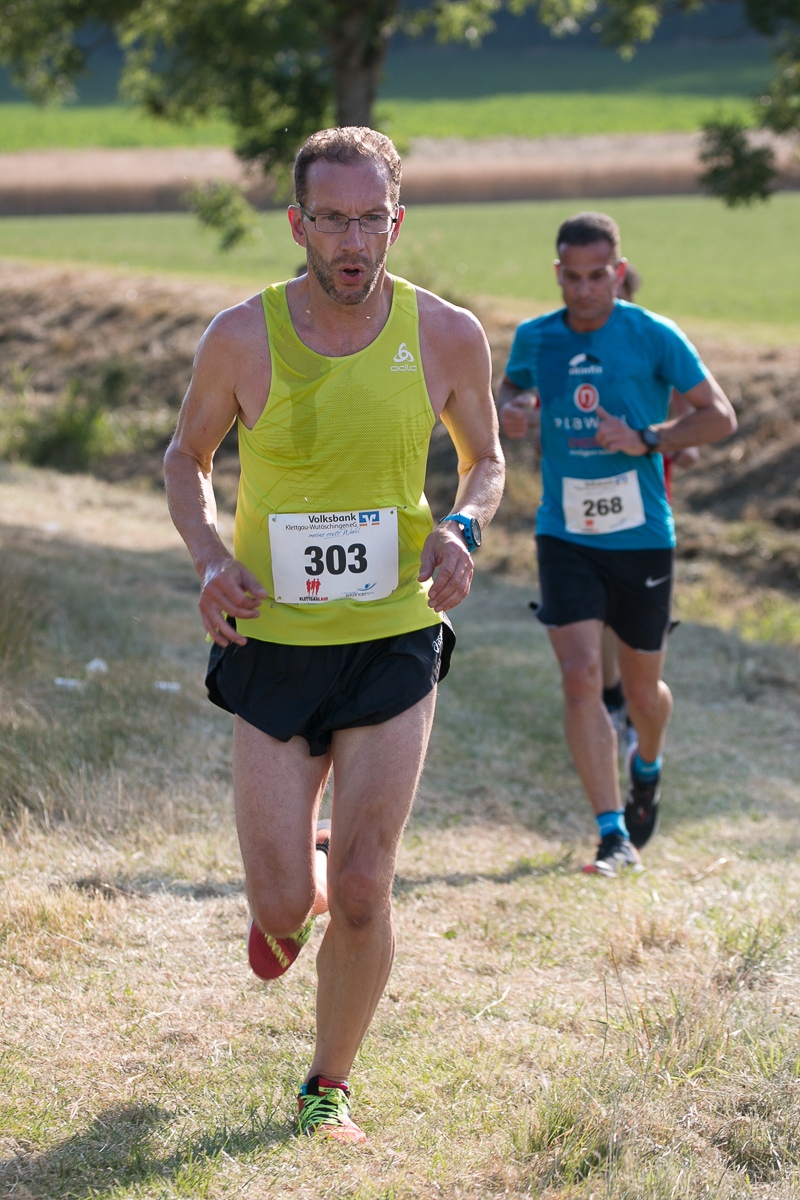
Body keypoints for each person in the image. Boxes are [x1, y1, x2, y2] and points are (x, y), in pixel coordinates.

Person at [164, 126, 504, 1142]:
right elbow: (186, 458)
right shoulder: (242, 335)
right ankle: (293, 886)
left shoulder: (447, 335)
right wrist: (210, 559)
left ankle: (327, 1087)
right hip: (272, 639)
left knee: (363, 889)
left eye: (370, 220)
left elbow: (484, 459)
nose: (352, 241)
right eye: (331, 220)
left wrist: (463, 527)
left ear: (396, 221)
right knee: (283, 907)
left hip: (395, 631)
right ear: (297, 223)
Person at [498, 211, 736, 877]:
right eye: (572, 277)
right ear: (557, 274)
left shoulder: (653, 334)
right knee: (579, 675)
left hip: (641, 537)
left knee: (642, 692)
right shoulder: (536, 336)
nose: (584, 289)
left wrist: (648, 438)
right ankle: (611, 835)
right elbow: (513, 385)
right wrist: (512, 409)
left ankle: (647, 768)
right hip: (564, 531)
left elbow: (719, 416)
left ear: (618, 271)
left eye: (597, 276)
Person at [601, 263, 701, 753]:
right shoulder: (578, 345)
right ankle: (612, 702)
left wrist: (658, 440)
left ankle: (626, 700)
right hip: (589, 500)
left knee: (629, 613)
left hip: (647, 502)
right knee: (601, 611)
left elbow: (691, 430)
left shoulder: (657, 343)